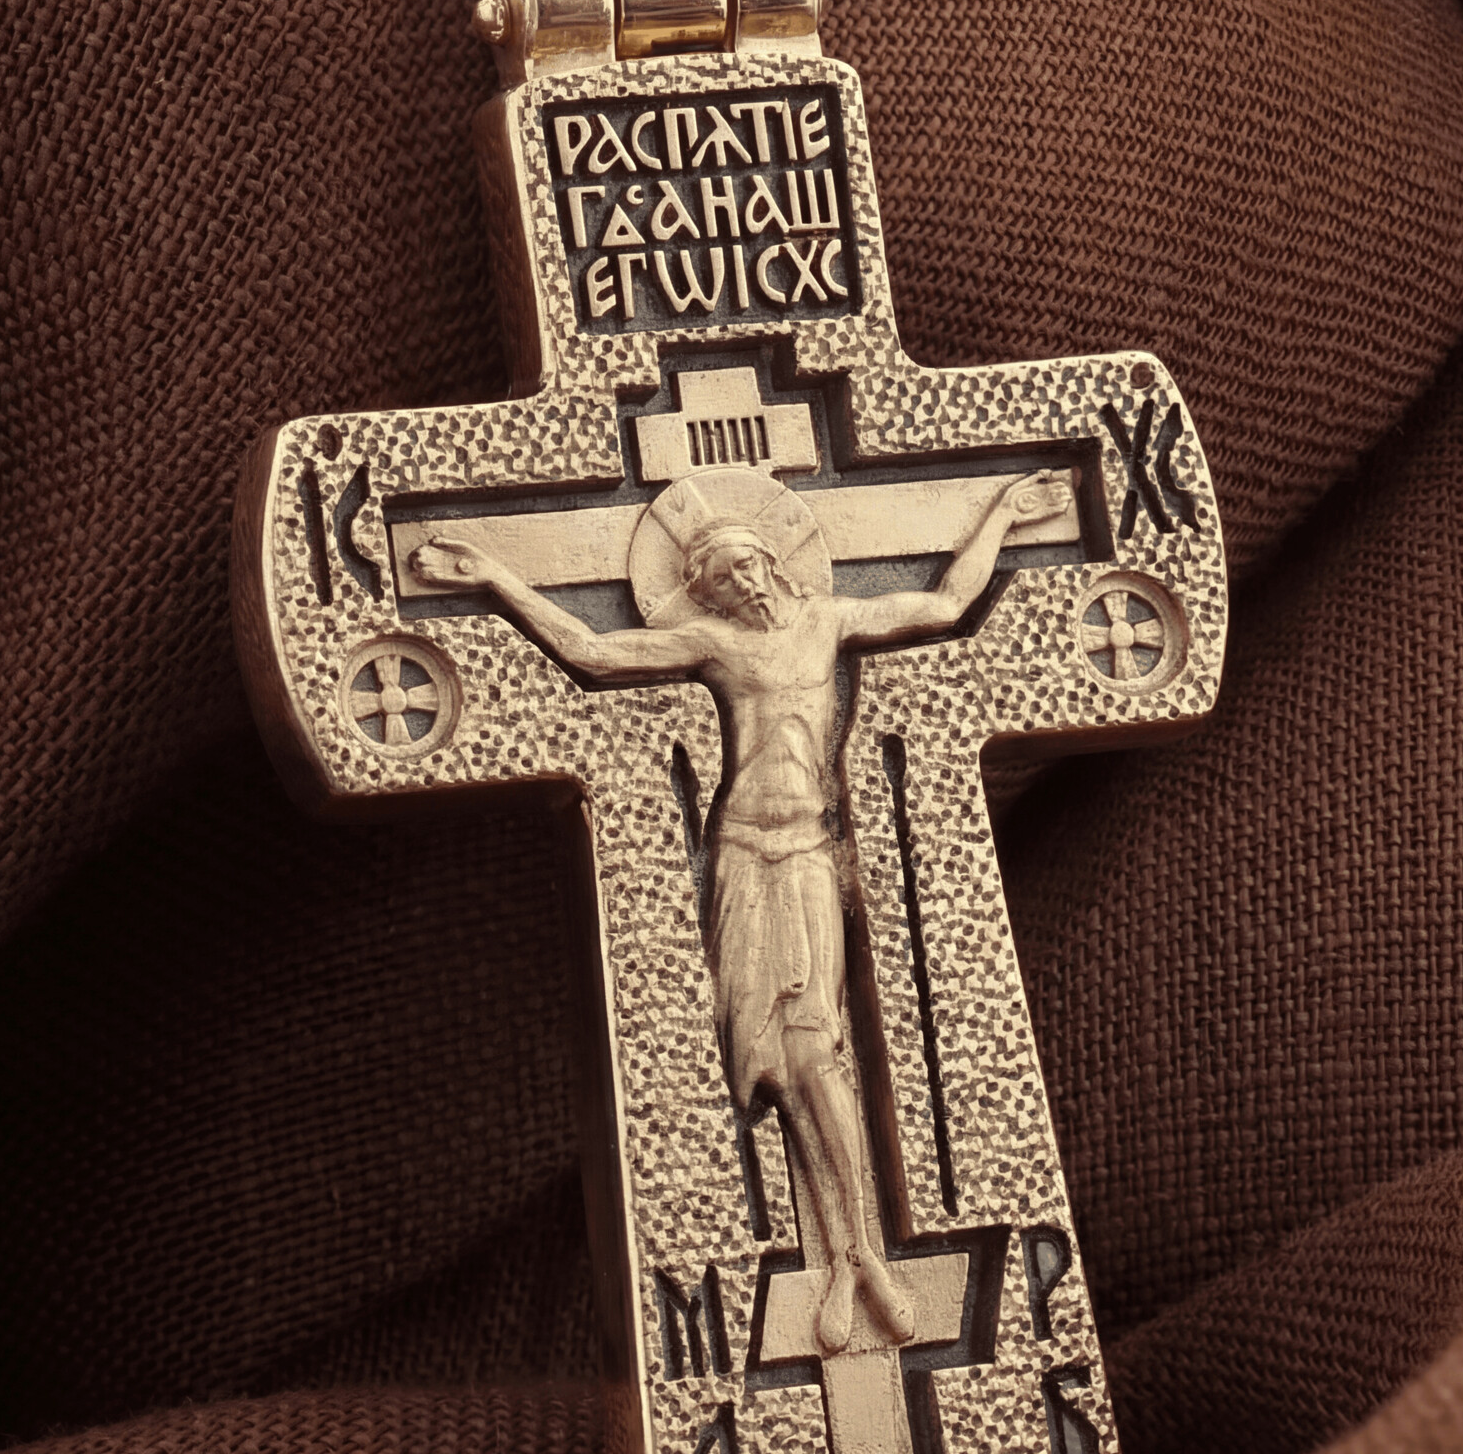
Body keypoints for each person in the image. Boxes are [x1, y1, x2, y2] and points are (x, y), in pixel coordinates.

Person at [414, 470, 1070, 1355]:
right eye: (723, 578)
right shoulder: (711, 643)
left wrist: (1002, 516)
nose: (744, 583)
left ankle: (861, 1256)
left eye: (749, 566)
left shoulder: (829, 621)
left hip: (804, 853)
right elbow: (593, 653)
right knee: (766, 1063)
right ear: (706, 593)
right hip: (739, 856)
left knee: (818, 1050)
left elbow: (947, 603)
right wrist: (497, 578)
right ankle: (845, 1258)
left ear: (775, 562)